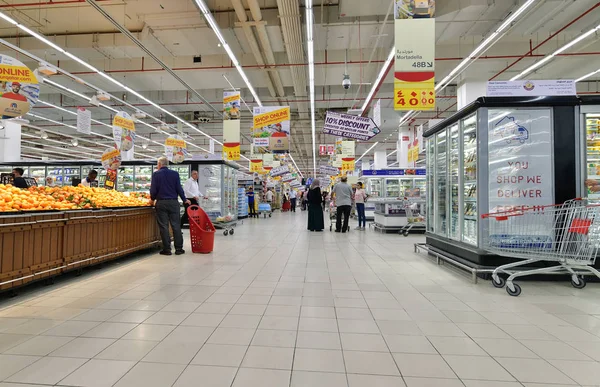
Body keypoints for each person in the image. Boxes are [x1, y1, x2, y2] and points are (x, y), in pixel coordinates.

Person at [150, 157, 190, 256]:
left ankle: (167, 249)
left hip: (161, 203)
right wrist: (184, 199)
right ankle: (179, 249)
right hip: (173, 202)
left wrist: (152, 198)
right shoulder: (175, 174)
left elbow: (153, 190)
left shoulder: (156, 174)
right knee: (176, 226)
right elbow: (179, 188)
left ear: (159, 164)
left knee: (164, 226)